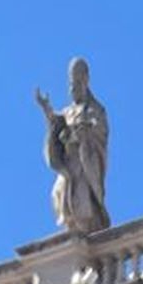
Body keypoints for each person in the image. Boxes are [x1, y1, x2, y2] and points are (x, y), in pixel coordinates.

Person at [35, 58, 110, 236]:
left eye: (76, 83)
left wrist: (85, 134)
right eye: (71, 84)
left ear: (85, 81)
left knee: (81, 198)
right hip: (69, 164)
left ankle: (84, 234)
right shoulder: (68, 111)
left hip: (84, 162)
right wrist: (46, 109)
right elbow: (57, 122)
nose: (72, 89)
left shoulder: (96, 109)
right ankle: (71, 231)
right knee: (60, 192)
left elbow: (100, 132)